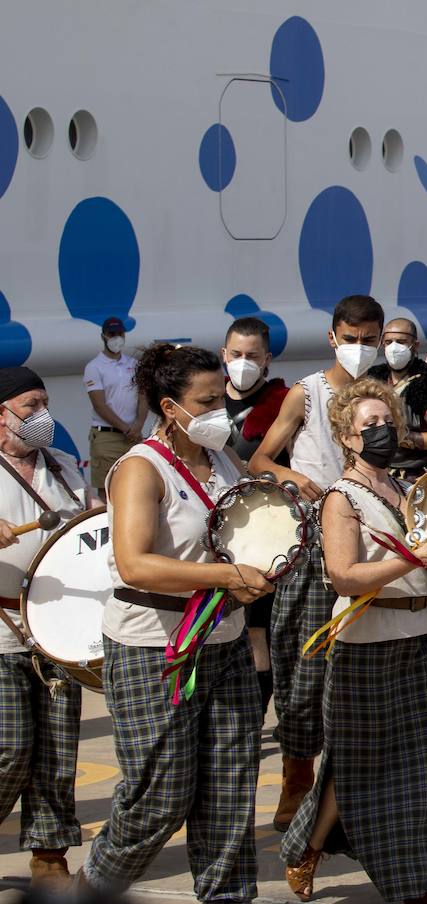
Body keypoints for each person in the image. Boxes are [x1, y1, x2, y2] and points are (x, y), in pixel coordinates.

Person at [78, 343, 273, 901]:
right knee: (159, 797)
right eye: (206, 401)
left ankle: (229, 896)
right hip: (153, 650)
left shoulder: (225, 461)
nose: (221, 411)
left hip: (225, 640)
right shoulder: (141, 468)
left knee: (230, 791)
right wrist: (226, 575)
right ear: (170, 406)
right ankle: (89, 890)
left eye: (222, 398)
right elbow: (135, 563)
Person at [281, 379, 427, 904]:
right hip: (365, 645)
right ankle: (309, 846)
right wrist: (414, 557)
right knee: (358, 766)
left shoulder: (406, 488)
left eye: (386, 422)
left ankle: (420, 879)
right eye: (369, 426)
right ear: (345, 435)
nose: (382, 431)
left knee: (423, 766)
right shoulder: (342, 498)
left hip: (418, 638)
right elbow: (344, 576)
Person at [250, 294, 384, 831]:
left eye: (368, 339)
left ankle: (352, 791)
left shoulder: (383, 396)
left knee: (362, 674)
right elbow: (258, 457)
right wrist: (291, 476)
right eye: (349, 339)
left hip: (372, 543)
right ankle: (295, 779)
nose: (359, 348)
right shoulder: (306, 393)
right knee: (302, 666)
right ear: (333, 338)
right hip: (311, 548)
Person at [0, 367, 88, 887]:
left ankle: (50, 853)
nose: (42, 416)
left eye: (45, 404)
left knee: (58, 746)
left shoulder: (62, 467)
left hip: (59, 628)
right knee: (9, 745)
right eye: (30, 406)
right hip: (3, 625)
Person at [221, 317, 289, 723]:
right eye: (235, 355)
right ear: (222, 354)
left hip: (263, 529)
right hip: (211, 533)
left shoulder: (282, 401)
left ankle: (253, 717)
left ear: (267, 360)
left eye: (252, 356)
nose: (242, 363)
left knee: (256, 631)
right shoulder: (205, 397)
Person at [366, 317, 427, 480]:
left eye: (401, 341)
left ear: (415, 345)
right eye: (389, 342)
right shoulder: (372, 381)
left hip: (418, 478)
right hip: (381, 476)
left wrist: (399, 436)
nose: (394, 347)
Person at [84, 316, 146, 501]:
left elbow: (144, 396)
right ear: (103, 335)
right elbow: (99, 405)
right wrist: (126, 428)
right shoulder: (94, 367)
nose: (116, 337)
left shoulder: (134, 364)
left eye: (120, 333)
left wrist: (138, 424)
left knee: (138, 484)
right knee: (108, 489)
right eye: (112, 334)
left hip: (134, 435)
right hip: (107, 437)